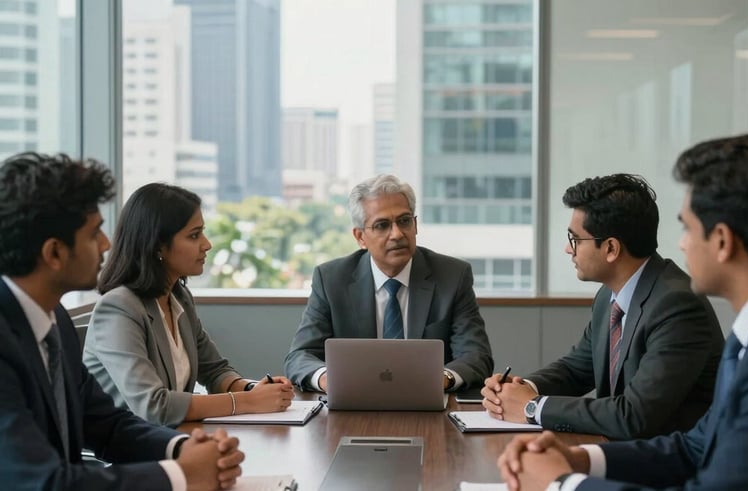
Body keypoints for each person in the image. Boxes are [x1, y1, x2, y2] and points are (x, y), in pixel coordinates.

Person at [497, 134, 748, 491]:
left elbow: (636, 416)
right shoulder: (747, 336)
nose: (682, 243)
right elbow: (694, 447)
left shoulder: (680, 304)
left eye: (687, 228)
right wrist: (580, 459)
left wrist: (560, 482)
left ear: (721, 240)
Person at [0, 152, 244, 490]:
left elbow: (108, 425)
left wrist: (183, 448)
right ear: (54, 253)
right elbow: (43, 482)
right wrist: (181, 474)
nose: (107, 243)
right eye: (94, 233)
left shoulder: (54, 322)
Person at [482, 174, 723, 440]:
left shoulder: (677, 306)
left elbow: (634, 415)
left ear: (611, 248)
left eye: (575, 239)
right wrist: (519, 388)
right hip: (624, 451)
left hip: (671, 467)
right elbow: (577, 369)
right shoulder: (610, 294)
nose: (567, 249)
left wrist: (532, 407)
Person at [83, 183, 294, 427]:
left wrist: (255, 389)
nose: (207, 244)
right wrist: (247, 401)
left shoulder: (178, 297)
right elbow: (154, 406)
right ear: (158, 246)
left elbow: (214, 371)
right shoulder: (119, 308)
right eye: (194, 235)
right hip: (129, 448)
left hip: (172, 436)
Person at [284, 174, 493, 392]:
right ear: (360, 237)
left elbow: (476, 356)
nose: (397, 234)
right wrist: (328, 379)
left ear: (416, 225)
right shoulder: (331, 279)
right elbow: (300, 355)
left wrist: (442, 378)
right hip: (353, 404)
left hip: (430, 407)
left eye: (404, 221)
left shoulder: (452, 276)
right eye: (382, 225)